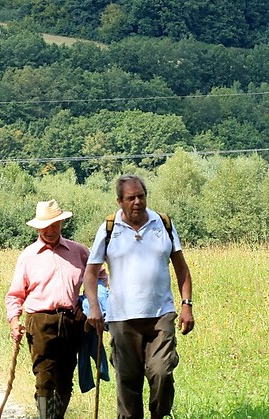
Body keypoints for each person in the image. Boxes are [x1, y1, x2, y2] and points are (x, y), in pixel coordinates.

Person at [83, 175, 195, 419]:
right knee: (128, 382)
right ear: (120, 201)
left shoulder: (163, 223)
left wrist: (186, 305)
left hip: (160, 315)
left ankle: (159, 415)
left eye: (141, 196)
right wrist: (94, 307)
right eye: (131, 198)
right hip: (122, 318)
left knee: (162, 373)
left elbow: (182, 269)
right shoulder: (109, 228)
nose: (137, 202)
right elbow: (90, 274)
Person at [5, 199, 92, 419]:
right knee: (44, 377)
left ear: (62, 224)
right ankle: (45, 417)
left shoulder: (79, 251)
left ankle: (57, 417)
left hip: (73, 320)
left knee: (65, 378)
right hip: (40, 322)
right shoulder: (29, 255)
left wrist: (87, 305)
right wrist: (14, 322)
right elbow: (15, 294)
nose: (50, 230)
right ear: (37, 227)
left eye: (55, 225)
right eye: (45, 225)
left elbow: (99, 278)